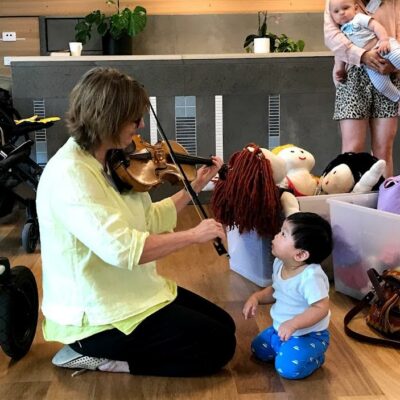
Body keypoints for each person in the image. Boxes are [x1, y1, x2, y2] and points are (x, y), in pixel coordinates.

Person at [36, 67, 236, 377]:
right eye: (134, 118)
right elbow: (124, 249)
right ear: (108, 118)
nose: (141, 125)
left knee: (225, 326)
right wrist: (194, 235)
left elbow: (149, 218)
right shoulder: (70, 175)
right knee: (219, 347)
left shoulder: (111, 160)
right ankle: (92, 355)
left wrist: (194, 187)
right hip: (97, 314)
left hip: (132, 292)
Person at [242, 212, 332, 380]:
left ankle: (316, 358)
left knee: (288, 370)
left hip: (308, 335)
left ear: (300, 254)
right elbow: (277, 290)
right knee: (257, 350)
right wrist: (256, 297)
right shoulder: (280, 264)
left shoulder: (311, 277)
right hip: (282, 330)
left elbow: (321, 307)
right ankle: (285, 349)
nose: (276, 236)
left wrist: (294, 324)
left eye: (283, 234)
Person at [324, 0, 400, 178]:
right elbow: (331, 35)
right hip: (353, 74)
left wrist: (393, 66)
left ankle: (384, 201)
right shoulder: (336, 1)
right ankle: (351, 203)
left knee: (383, 150)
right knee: (352, 150)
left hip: (388, 71)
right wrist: (362, 56)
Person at [330, 0, 400, 102]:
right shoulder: (341, 32)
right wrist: (340, 68)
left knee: (397, 57)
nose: (341, 12)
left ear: (355, 8)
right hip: (370, 63)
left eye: (345, 8)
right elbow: (340, 53)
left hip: (383, 46)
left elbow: (376, 26)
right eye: (336, 12)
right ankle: (397, 97)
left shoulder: (359, 17)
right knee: (381, 85)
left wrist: (384, 40)